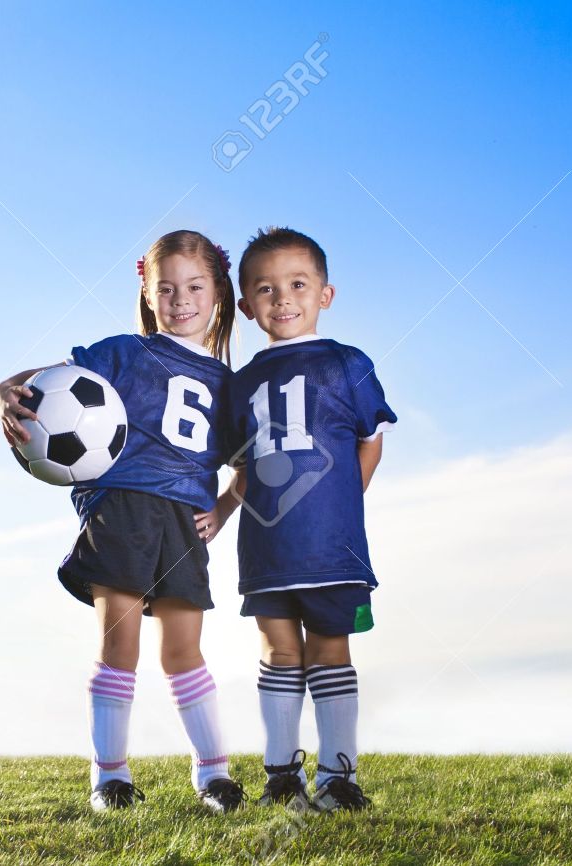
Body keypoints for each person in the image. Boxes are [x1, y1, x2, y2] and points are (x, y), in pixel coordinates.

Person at [0, 230, 244, 813]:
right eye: (167, 288)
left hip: (184, 522)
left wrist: (225, 508)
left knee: (184, 649)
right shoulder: (122, 353)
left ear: (218, 293)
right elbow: (33, 384)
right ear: (148, 293)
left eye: (195, 287)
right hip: (120, 510)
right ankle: (109, 777)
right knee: (119, 646)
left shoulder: (229, 386)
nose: (181, 300)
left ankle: (213, 775)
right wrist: (2, 391)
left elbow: (250, 464)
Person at [208, 226, 396, 812]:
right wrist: (220, 511)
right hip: (267, 548)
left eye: (297, 284)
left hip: (333, 549)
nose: (282, 298)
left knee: (330, 651)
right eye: (265, 288)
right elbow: (246, 466)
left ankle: (337, 777)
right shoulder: (239, 384)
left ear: (325, 294)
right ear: (247, 305)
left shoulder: (347, 363)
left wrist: (341, 505)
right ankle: (281, 775)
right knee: (278, 653)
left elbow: (370, 441)